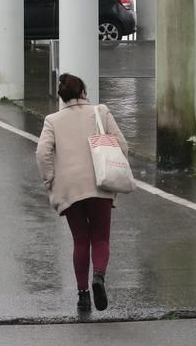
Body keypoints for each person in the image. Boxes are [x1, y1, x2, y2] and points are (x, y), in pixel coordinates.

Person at [35, 73, 129, 313]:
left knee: (80, 240)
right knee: (100, 238)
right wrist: (116, 171)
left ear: (62, 96)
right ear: (84, 92)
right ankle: (98, 275)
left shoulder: (52, 120)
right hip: (100, 183)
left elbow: (42, 152)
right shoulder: (101, 112)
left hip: (69, 187)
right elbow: (122, 144)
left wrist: (50, 179)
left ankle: (83, 295)